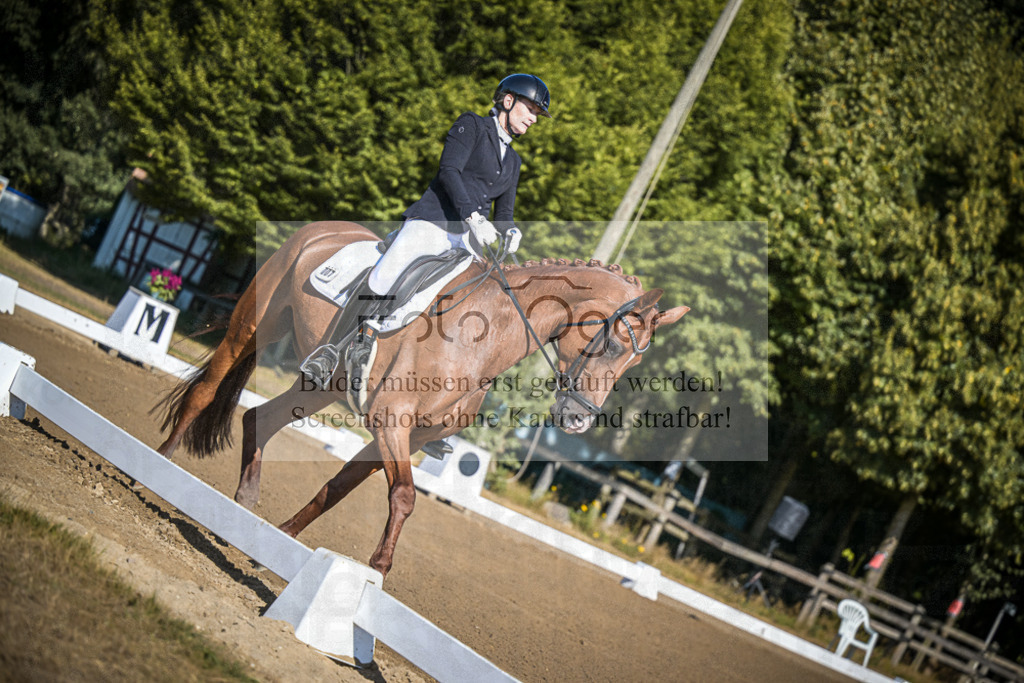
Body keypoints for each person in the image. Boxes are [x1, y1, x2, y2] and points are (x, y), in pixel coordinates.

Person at [301, 73, 552, 406]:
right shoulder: (472, 126)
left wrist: (510, 232)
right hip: (433, 221)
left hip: (467, 242)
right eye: (531, 109)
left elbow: (504, 214)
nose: (534, 118)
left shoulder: (514, 161)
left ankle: (436, 404)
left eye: (537, 113)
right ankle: (332, 351)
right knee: (387, 274)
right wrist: (473, 216)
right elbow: (449, 170)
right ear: (508, 101)